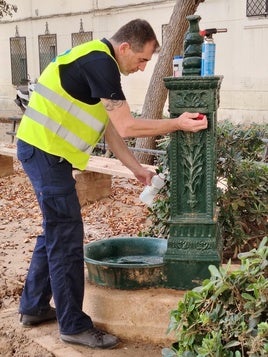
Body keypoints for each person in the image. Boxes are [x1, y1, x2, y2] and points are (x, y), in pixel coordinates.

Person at [16, 19, 207, 350]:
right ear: (125, 48)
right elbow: (129, 126)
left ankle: (33, 307)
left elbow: (113, 132)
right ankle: (73, 325)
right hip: (45, 152)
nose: (142, 67)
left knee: (55, 231)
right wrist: (176, 123)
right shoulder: (99, 62)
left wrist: (137, 170)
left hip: (46, 152)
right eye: (143, 59)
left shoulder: (97, 64)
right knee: (66, 236)